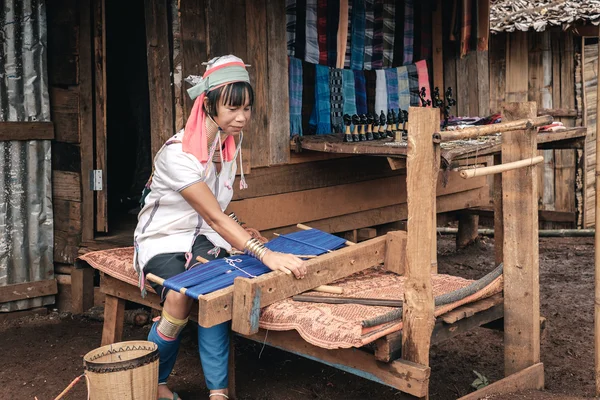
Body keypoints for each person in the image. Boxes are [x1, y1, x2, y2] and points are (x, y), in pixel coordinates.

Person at [133, 55, 307, 400]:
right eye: (232, 108)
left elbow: (216, 213)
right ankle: (155, 382)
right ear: (208, 104)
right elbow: (213, 215)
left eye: (247, 108)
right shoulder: (178, 155)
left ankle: (218, 393)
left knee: (216, 292)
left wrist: (242, 229)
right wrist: (265, 253)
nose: (242, 117)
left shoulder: (225, 147)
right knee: (181, 296)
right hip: (163, 240)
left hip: (202, 237)